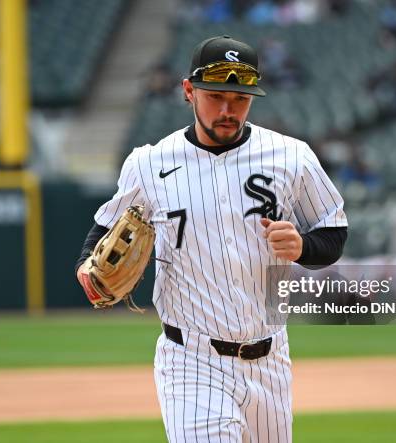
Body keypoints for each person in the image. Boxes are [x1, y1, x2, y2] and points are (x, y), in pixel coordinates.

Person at [76, 35, 348, 443]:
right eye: (216, 96)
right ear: (189, 91)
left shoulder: (292, 157)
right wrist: (85, 268)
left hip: (270, 360)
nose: (228, 110)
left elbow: (334, 231)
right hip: (191, 360)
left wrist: (304, 246)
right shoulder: (150, 164)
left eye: (240, 99)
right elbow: (105, 226)